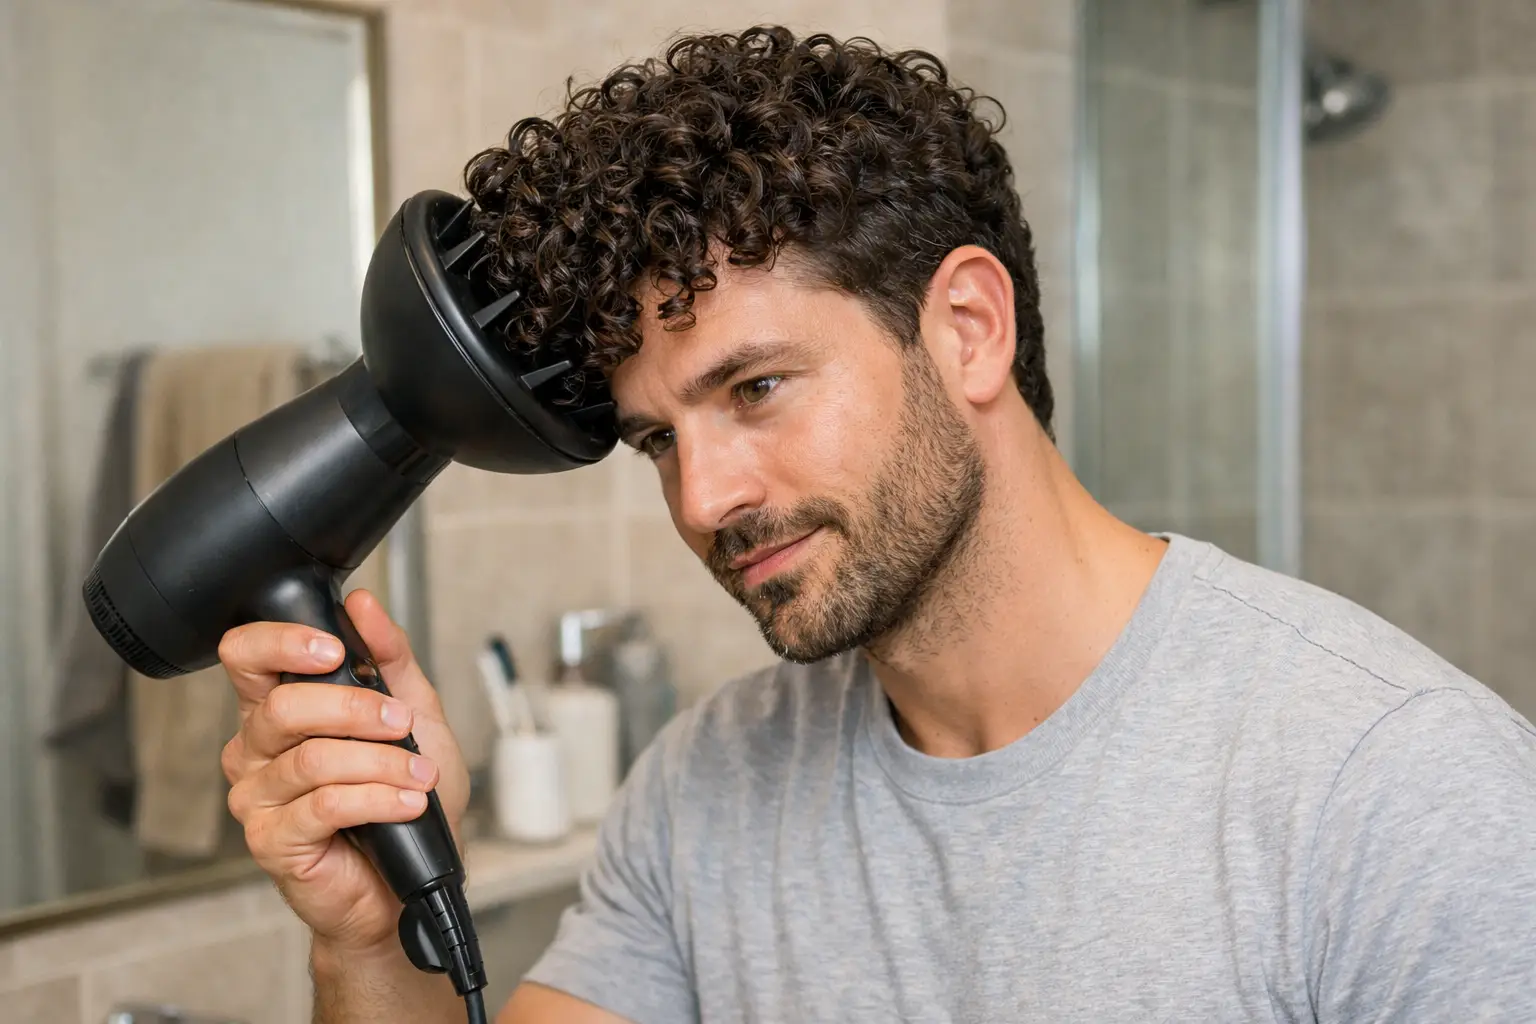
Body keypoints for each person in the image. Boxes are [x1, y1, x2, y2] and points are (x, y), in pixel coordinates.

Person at [216, 27, 1536, 1023]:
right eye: (659, 438)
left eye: (755, 388)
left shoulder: (1394, 790)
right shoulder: (706, 787)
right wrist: (368, 943)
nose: (702, 496)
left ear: (968, 329)